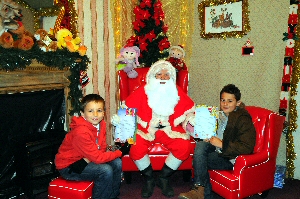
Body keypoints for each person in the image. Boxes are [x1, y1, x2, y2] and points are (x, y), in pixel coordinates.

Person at [112, 60, 195, 198]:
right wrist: (120, 120)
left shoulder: (176, 91)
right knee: (135, 147)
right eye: (159, 74)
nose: (163, 77)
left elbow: (188, 111)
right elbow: (127, 109)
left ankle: (163, 178)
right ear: (152, 76)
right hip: (146, 129)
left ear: (172, 77)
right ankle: (149, 179)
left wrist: (192, 119)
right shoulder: (142, 90)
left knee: (184, 146)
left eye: (166, 74)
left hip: (169, 129)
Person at [178, 84, 256, 199]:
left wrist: (221, 144)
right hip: (218, 151)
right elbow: (214, 135)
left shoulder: (243, 119)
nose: (225, 104)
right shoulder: (218, 115)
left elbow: (247, 147)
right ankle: (201, 191)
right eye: (223, 100)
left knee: (200, 160)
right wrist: (205, 135)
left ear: (238, 103)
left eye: (230, 101)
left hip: (231, 157)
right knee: (200, 146)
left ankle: (203, 193)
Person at [55, 94, 131, 199]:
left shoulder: (101, 124)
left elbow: (102, 147)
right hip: (70, 166)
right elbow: (98, 158)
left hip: (86, 158)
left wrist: (93, 157)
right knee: (105, 170)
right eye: (90, 111)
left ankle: (112, 195)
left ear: (103, 113)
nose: (95, 114)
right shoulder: (81, 132)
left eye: (99, 110)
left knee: (117, 162)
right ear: (82, 113)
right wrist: (120, 152)